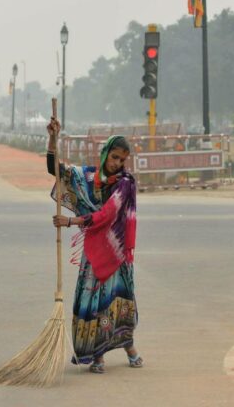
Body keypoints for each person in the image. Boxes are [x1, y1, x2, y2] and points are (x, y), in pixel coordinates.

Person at [47, 116, 142, 374]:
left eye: (122, 160)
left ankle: (129, 347)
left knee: (119, 302)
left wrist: (71, 221)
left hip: (116, 253)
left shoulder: (125, 183)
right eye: (114, 158)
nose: (118, 164)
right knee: (95, 302)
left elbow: (108, 214)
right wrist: (53, 137)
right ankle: (96, 352)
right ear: (105, 155)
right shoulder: (87, 177)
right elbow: (55, 170)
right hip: (93, 251)